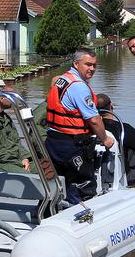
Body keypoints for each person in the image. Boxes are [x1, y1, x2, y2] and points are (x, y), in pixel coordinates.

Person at [45, 48, 115, 204]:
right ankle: (82, 213)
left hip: (53, 140)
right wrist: (105, 139)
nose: (92, 69)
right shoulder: (79, 87)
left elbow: (54, 83)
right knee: (83, 184)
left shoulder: (62, 79)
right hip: (72, 144)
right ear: (76, 64)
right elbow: (94, 119)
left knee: (55, 184)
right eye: (88, 64)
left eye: (94, 65)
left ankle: (48, 212)